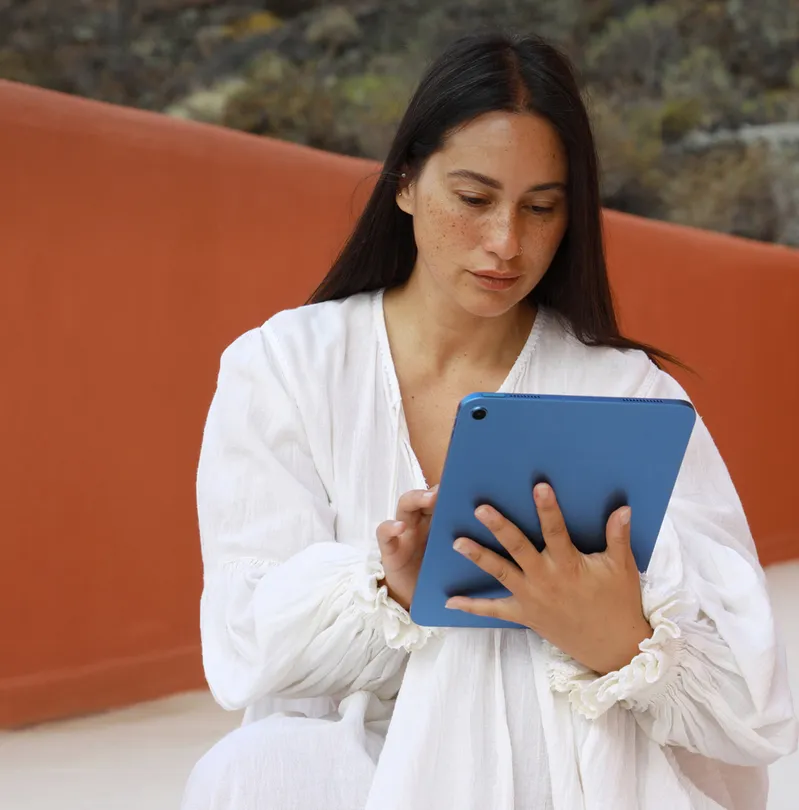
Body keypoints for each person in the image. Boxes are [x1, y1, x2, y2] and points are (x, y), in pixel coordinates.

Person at [181, 31, 797, 810]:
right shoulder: (283, 368)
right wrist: (387, 589)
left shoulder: (628, 394)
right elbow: (244, 642)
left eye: (540, 209)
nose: (505, 243)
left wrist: (618, 640)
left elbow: (749, 699)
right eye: (473, 200)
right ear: (404, 182)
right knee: (261, 769)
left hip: (575, 773)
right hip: (354, 772)